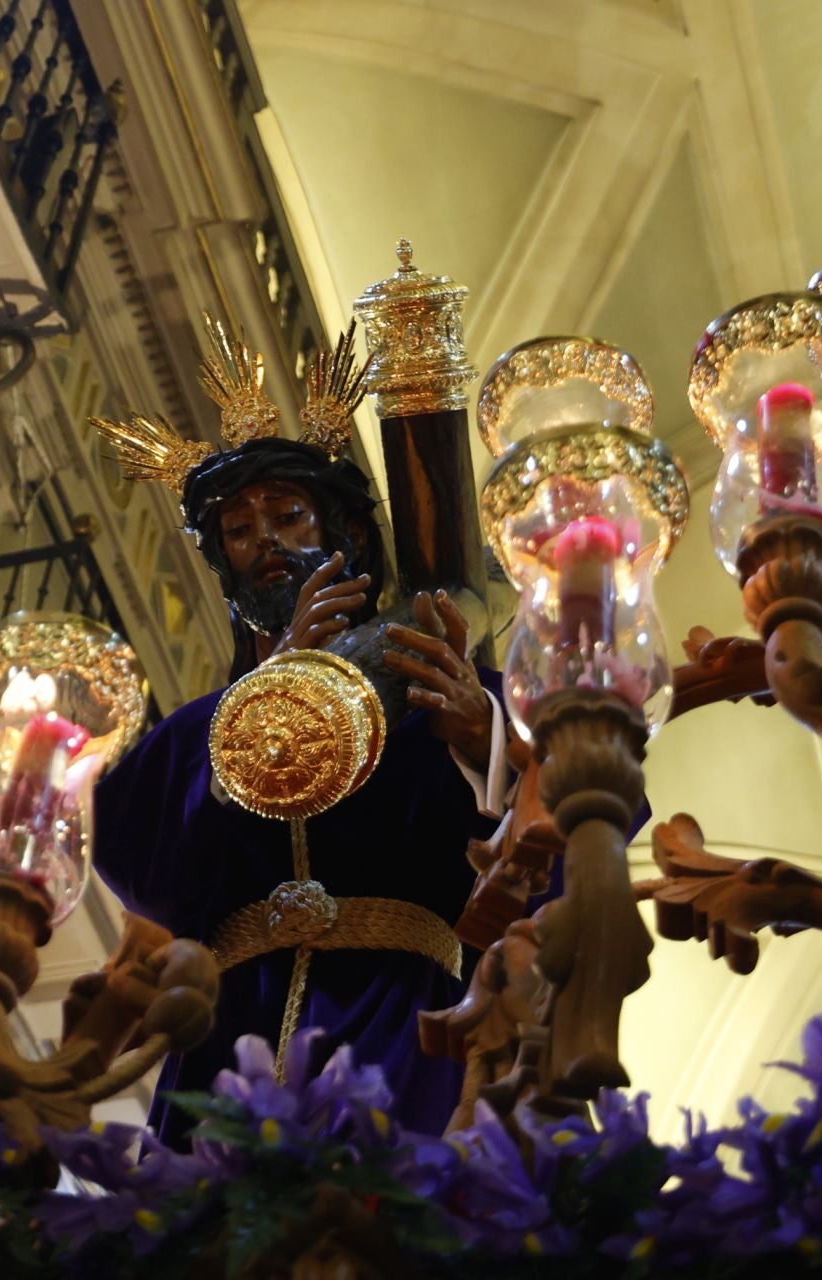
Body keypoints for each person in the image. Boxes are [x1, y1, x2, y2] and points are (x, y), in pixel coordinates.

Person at [89, 324, 518, 1138]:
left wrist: (479, 737)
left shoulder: (437, 680)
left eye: (289, 516)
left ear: (346, 539)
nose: (268, 545)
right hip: (231, 1032)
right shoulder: (195, 734)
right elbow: (139, 862)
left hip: (401, 1016)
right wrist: (265, 697)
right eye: (241, 532)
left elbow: (584, 800)